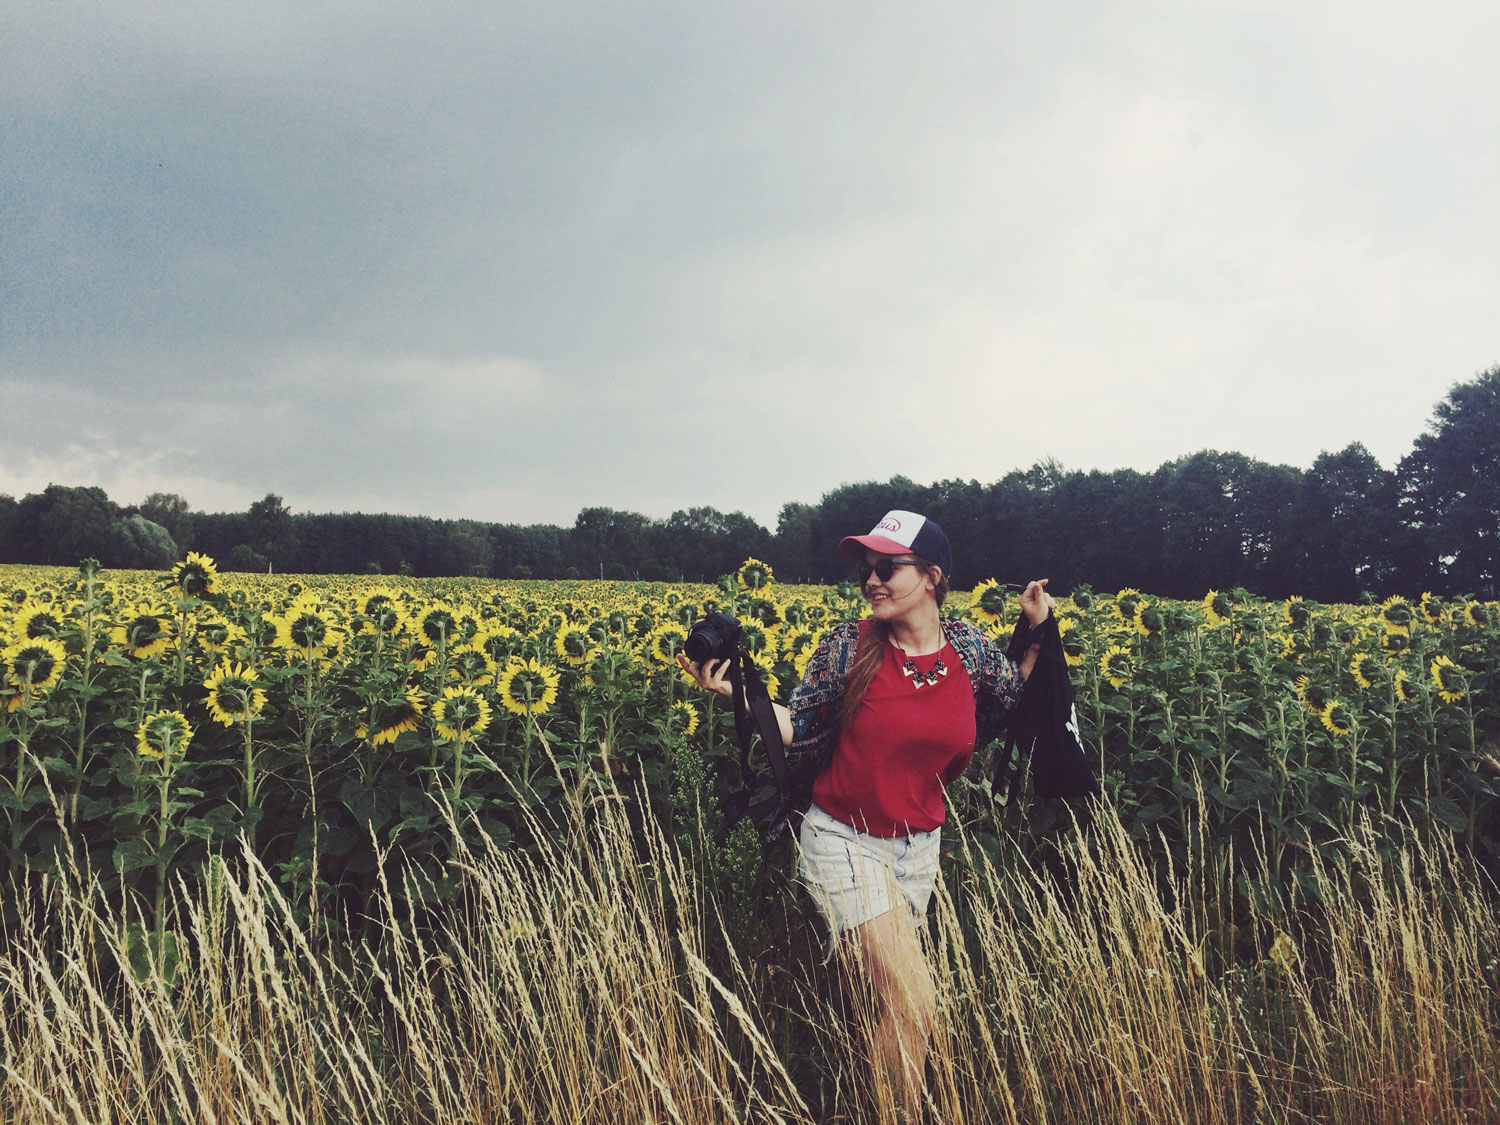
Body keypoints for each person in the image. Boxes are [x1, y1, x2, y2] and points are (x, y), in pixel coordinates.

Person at [678, 509, 1054, 1118]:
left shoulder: (968, 650)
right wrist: (737, 694)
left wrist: (1036, 632)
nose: (872, 579)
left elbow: (1011, 694)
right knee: (915, 1001)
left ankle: (853, 1095)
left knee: (879, 1003)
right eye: (866, 570)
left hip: (919, 849)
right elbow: (796, 727)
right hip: (844, 840)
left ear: (932, 576)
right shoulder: (849, 648)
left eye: (888, 567)